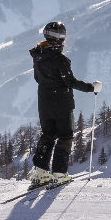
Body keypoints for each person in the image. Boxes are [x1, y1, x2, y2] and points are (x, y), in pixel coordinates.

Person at [28, 21, 98, 183]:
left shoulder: (38, 56)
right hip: (61, 104)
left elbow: (38, 79)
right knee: (65, 136)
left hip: (44, 103)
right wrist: (92, 88)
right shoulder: (61, 60)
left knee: (47, 135)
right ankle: (59, 174)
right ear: (60, 38)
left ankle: (40, 174)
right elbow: (70, 82)